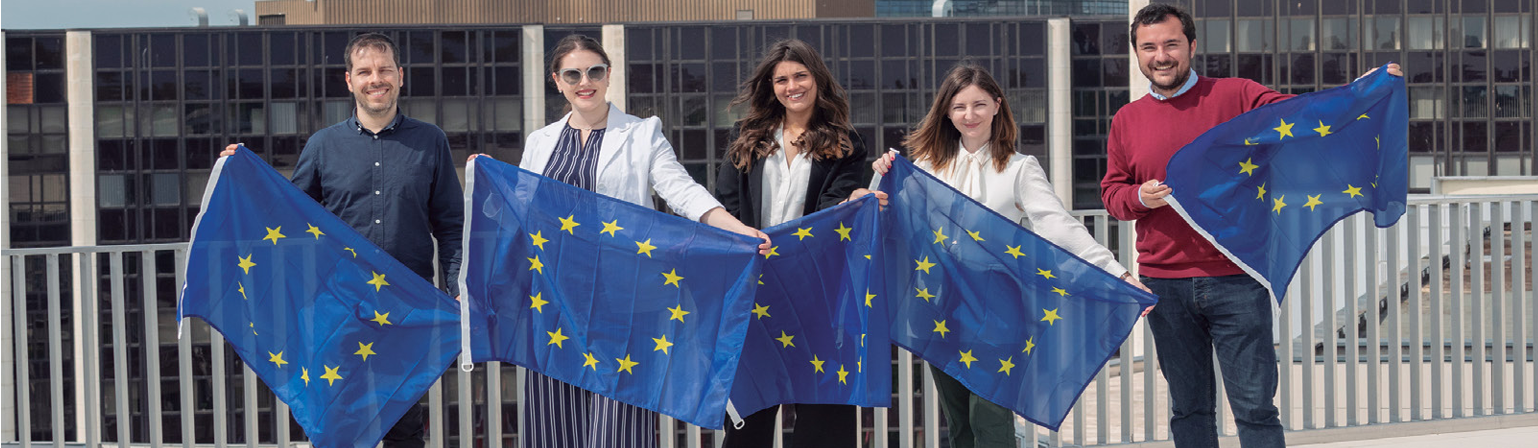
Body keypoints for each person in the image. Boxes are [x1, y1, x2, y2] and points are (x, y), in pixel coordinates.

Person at [1100, 5, 1401, 448]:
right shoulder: (1126, 119)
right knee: (1189, 411)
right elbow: (1112, 194)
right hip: (1165, 287)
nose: (1160, 56)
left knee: (1256, 410)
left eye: (1171, 44)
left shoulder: (1237, 94)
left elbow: (1304, 116)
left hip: (1236, 279)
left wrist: (1364, 91)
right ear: (1137, 54)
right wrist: (1137, 198)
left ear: (1192, 46)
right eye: (1149, 47)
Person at [872, 63, 1146, 448]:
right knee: (959, 420)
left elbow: (1058, 225)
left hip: (996, 307)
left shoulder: (1019, 168)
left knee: (990, 415)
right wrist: (880, 178)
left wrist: (1117, 273)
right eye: (960, 106)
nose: (970, 115)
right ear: (947, 112)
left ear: (997, 106)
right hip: (940, 305)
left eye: (979, 105)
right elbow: (892, 227)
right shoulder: (924, 168)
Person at [515, 33, 769, 448]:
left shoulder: (641, 134)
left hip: (622, 303)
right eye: (573, 73)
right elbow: (521, 213)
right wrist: (484, 182)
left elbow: (682, 191)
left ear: (608, 74)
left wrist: (736, 229)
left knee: (618, 428)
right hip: (557, 304)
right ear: (557, 80)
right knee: (554, 425)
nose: (586, 81)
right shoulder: (539, 143)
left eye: (595, 71)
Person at [221, 32, 460, 448]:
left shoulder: (431, 141)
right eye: (365, 71)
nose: (376, 79)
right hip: (339, 310)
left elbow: (451, 224)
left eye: (385, 70)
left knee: (404, 427)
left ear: (400, 77)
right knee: (337, 425)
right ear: (349, 80)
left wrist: (456, 288)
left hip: (406, 310)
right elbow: (288, 219)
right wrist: (243, 176)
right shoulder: (323, 146)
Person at [713, 38, 884, 448]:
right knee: (751, 411)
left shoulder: (845, 142)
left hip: (816, 292)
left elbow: (830, 214)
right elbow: (727, 205)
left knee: (822, 410)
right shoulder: (745, 136)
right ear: (770, 86)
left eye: (800, 75)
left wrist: (852, 201)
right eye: (782, 79)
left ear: (817, 79)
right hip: (755, 289)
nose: (792, 86)